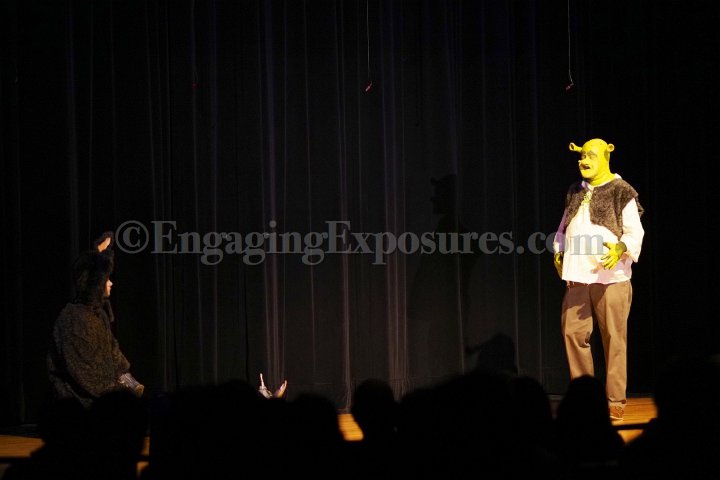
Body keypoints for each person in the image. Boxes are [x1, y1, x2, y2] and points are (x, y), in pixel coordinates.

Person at [552, 138, 645, 421]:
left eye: (590, 155)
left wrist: (620, 249)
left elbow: (635, 232)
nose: (583, 160)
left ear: (606, 155)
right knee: (573, 335)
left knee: (614, 339)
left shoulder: (621, 190)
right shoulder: (575, 191)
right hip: (577, 277)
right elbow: (563, 228)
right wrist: (558, 252)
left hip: (611, 278)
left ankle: (615, 400)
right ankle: (585, 400)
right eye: (581, 156)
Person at [47, 232, 144, 408]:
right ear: (96, 284)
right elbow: (85, 372)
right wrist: (116, 392)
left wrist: (130, 382)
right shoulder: (73, 318)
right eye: (106, 280)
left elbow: (113, 353)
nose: (111, 283)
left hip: (103, 397)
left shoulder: (97, 315)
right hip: (79, 404)